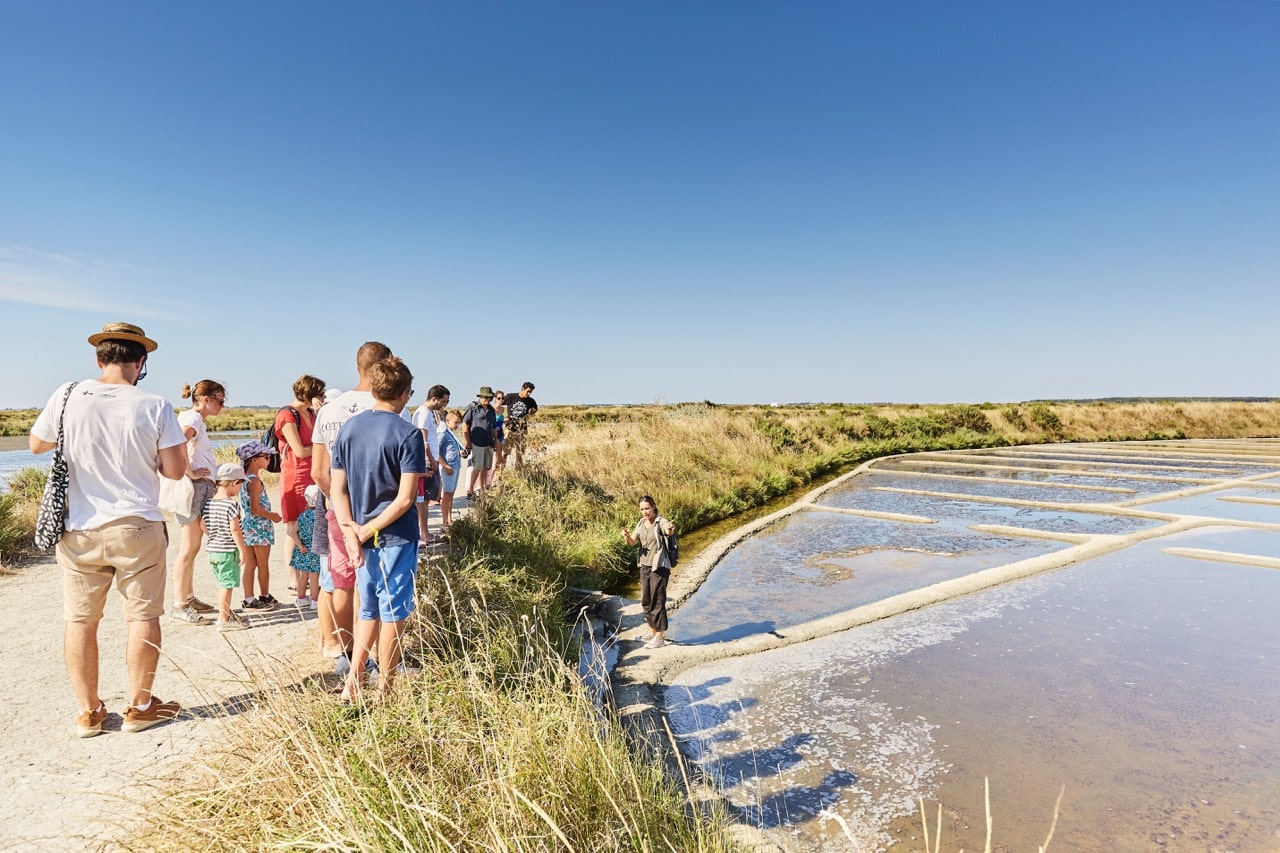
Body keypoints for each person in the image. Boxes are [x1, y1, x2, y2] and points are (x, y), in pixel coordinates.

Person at [30, 322, 187, 737]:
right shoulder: (154, 404)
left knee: (80, 620)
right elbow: (175, 470)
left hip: (79, 527)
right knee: (143, 617)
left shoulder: (68, 395)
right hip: (137, 525)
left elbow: (36, 445)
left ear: (99, 359)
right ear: (141, 363)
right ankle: (139, 706)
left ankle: (89, 712)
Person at [330, 356, 426, 702]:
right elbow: (404, 500)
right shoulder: (408, 433)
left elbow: (336, 489)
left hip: (359, 534)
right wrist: (365, 529)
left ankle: (352, 684)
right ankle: (385, 689)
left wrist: (350, 530)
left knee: (368, 608)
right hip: (395, 535)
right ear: (404, 394)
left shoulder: (350, 429)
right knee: (394, 613)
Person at [312, 341, 395, 673]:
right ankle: (376, 657)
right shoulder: (382, 406)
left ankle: (347, 656)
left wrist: (341, 505)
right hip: (378, 509)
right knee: (377, 581)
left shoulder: (330, 409)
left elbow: (319, 471)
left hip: (337, 509)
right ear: (385, 366)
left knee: (342, 581)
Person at [172, 379, 228, 625]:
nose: (222, 406)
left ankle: (188, 597)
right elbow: (179, 442)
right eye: (220, 400)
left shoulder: (193, 419)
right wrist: (190, 472)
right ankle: (180, 604)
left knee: (192, 547)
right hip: (193, 488)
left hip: (198, 487)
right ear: (206, 399)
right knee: (189, 547)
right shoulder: (193, 419)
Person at [276, 375, 324, 590]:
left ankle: (312, 577)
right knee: (294, 526)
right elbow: (300, 450)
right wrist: (323, 447)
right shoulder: (287, 415)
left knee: (312, 524)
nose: (322, 397)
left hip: (312, 473)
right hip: (295, 475)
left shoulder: (312, 414)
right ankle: (294, 580)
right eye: (320, 393)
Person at [201, 463, 252, 632]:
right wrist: (243, 549)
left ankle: (226, 613)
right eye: (241, 484)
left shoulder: (209, 503)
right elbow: (235, 529)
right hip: (227, 551)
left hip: (213, 550)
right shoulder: (231, 505)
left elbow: (202, 524)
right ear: (233, 483)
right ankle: (223, 620)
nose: (240, 489)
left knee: (222, 582)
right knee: (226, 585)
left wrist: (214, 535)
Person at [621, 494, 676, 650]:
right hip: (644, 566)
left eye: (647, 508)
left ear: (653, 507)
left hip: (659, 567)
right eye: (642, 509)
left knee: (657, 601)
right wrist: (626, 537)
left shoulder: (661, 521)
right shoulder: (641, 523)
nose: (645, 512)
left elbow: (667, 530)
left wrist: (670, 530)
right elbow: (632, 542)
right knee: (646, 601)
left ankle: (660, 637)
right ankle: (652, 631)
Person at [236, 440, 281, 611]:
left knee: (250, 563)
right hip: (260, 526)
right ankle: (264, 596)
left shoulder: (244, 479)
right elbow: (256, 508)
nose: (269, 459)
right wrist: (273, 516)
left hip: (248, 526)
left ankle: (248, 598)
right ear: (254, 460)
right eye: (265, 456)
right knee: (263, 564)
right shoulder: (255, 481)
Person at [411, 385, 450, 544]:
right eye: (443, 401)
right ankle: (424, 534)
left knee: (424, 500)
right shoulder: (424, 414)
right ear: (434, 398)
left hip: (428, 460)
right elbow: (423, 441)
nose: (444, 404)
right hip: (427, 462)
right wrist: (433, 462)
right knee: (423, 500)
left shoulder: (427, 413)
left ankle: (424, 533)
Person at [461, 386, 498, 499]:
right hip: (477, 441)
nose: (487, 399)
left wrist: (495, 441)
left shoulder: (491, 409)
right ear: (480, 396)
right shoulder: (473, 407)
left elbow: (493, 427)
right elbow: (465, 425)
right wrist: (467, 442)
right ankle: (471, 490)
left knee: (486, 467)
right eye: (485, 397)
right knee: (477, 467)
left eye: (489, 397)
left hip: (489, 442)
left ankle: (481, 488)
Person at [290, 485, 321, 607]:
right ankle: (315, 600)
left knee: (303, 576)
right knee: (314, 577)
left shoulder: (302, 516)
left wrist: (299, 545)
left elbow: (293, 531)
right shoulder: (319, 516)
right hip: (314, 549)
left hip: (303, 549)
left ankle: (301, 598)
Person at [437, 408, 464, 533]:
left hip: (456, 465)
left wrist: (460, 452)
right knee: (446, 495)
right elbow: (435, 450)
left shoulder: (451, 433)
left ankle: (449, 518)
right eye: (455, 422)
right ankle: (444, 522)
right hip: (448, 467)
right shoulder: (442, 433)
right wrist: (445, 465)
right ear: (447, 421)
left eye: (459, 423)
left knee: (451, 494)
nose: (457, 425)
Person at [502, 382, 539, 470]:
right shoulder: (511, 397)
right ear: (522, 389)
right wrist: (502, 418)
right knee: (505, 452)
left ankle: (518, 474)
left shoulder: (531, 401)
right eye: (528, 391)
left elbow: (534, 409)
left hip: (522, 429)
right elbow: (498, 403)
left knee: (520, 453)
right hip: (510, 428)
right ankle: (499, 474)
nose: (529, 394)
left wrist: (532, 412)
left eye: (531, 392)